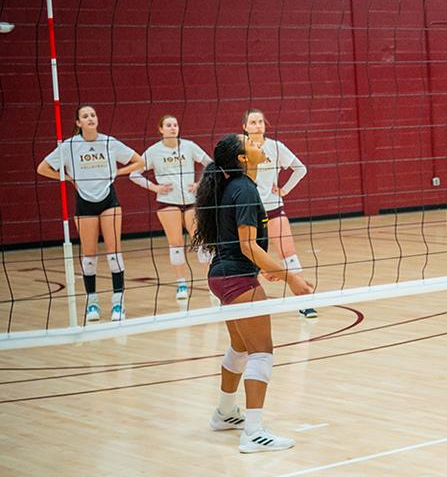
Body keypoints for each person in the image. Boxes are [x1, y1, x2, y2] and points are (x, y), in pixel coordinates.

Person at [192, 133, 314, 453]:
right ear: (243, 159)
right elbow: (247, 246)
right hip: (235, 279)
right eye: (251, 144)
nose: (259, 144)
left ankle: (225, 412)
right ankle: (254, 432)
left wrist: (264, 268)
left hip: (224, 275)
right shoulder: (244, 189)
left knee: (240, 346)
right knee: (262, 351)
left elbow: (239, 245)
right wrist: (290, 277)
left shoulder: (235, 187)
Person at [37, 105, 144, 322]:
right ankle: (92, 303)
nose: (90, 118)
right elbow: (42, 168)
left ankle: (118, 304)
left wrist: (117, 172)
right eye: (85, 116)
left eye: (93, 115)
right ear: (78, 123)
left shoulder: (108, 142)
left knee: (114, 252)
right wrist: (67, 178)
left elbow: (139, 161)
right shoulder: (68, 146)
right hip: (84, 203)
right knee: (89, 255)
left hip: (109, 201)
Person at [242, 109, 317, 319]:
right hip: (249, 213)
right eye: (253, 122)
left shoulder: (275, 147)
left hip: (274, 208)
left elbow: (300, 168)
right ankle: (246, 302)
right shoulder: (240, 149)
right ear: (245, 127)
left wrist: (284, 190)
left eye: (260, 121)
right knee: (249, 258)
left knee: (289, 253)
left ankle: (304, 301)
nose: (257, 125)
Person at [130, 115, 212, 301]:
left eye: (175, 125)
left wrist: (200, 184)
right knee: (175, 242)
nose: (173, 128)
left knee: (200, 239)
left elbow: (211, 165)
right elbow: (134, 173)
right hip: (168, 202)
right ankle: (181, 282)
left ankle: (210, 280)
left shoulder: (189, 146)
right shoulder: (153, 151)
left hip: (191, 201)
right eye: (168, 125)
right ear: (161, 129)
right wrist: (155, 188)